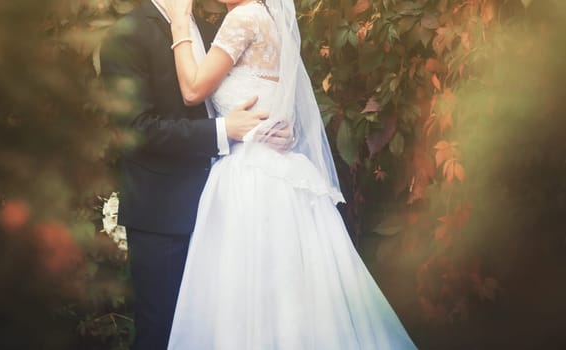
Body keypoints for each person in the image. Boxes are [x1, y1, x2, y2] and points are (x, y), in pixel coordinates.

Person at [162, 0, 419, 348]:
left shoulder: (242, 17)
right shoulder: (268, 20)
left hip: (249, 178)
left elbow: (193, 90)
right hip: (278, 171)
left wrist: (179, 24)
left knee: (247, 295)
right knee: (289, 295)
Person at [99, 1, 294, 349]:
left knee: (222, 330)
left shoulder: (214, 28)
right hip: (165, 216)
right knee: (164, 330)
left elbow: (251, 93)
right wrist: (223, 131)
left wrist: (273, 128)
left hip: (228, 208)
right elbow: (136, 129)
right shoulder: (124, 36)